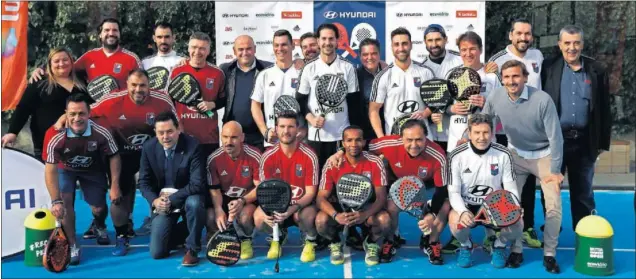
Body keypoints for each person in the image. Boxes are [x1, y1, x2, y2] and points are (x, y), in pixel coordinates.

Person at [55, 69, 177, 249]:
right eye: (134, 85)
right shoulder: (112, 100)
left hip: (152, 154)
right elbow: (82, 111)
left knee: (164, 190)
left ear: (149, 85)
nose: (138, 89)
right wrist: (62, 119)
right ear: (126, 85)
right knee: (120, 195)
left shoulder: (162, 100)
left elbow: (177, 127)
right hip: (121, 155)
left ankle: (163, 225)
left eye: (142, 85)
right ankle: (122, 230)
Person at [326, 119, 448, 264]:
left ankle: (432, 242)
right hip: (398, 188)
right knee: (390, 206)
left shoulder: (438, 155)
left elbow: (441, 191)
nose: (414, 145)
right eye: (409, 140)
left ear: (426, 138)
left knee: (445, 206)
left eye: (419, 140)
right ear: (400, 138)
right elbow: (360, 144)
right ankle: (391, 240)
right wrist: (340, 152)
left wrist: (431, 215)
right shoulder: (390, 144)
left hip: (425, 189)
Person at [482, 60, 564, 273]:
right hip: (515, 155)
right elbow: (483, 121)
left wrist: (555, 171)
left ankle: (550, 254)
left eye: (516, 76)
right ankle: (516, 249)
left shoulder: (542, 100)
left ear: (525, 77)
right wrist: (467, 138)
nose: (511, 81)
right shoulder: (496, 96)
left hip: (545, 155)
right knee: (510, 206)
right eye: (507, 77)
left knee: (553, 205)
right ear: (502, 79)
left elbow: (556, 139)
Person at [541, 25, 611, 230]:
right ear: (560, 45)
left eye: (576, 43)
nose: (572, 48)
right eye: (567, 43)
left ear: (582, 44)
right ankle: (552, 232)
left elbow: (604, 109)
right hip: (555, 141)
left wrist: (601, 144)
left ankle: (584, 234)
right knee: (551, 191)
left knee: (583, 194)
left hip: (584, 142)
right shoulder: (547, 67)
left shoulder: (597, 70)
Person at [42, 93, 121, 264]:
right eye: (72, 114)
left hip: (93, 170)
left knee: (99, 208)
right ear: (66, 113)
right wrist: (56, 200)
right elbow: (50, 169)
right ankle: (72, 244)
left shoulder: (101, 132)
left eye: (81, 113)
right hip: (65, 169)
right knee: (65, 204)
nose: (77, 118)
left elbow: (114, 156)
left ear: (89, 113)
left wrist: (114, 185)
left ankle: (99, 225)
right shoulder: (54, 134)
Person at [442, 31, 502, 254]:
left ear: (480, 50)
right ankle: (460, 236)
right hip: (456, 143)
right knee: (458, 188)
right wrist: (451, 108)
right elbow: (442, 106)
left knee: (489, 187)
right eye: (464, 49)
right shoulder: (452, 74)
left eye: (472, 49)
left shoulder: (491, 77)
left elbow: (498, 110)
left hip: (485, 144)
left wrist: (485, 103)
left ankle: (490, 235)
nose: (468, 53)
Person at [487, 18, 545, 249]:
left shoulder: (538, 56)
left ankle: (528, 226)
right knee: (503, 181)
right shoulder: (496, 61)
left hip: (531, 131)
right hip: (503, 133)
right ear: (510, 35)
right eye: (519, 33)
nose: (523, 38)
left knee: (529, 182)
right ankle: (500, 226)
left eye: (527, 34)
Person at [445, 113, 523, 269]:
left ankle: (499, 245)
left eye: (486, 132)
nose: (482, 137)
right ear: (469, 132)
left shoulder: (503, 153)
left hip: (495, 206)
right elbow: (453, 192)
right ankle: (466, 245)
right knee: (455, 223)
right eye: (477, 133)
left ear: (492, 133)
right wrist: (462, 211)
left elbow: (510, 186)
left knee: (518, 225)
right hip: (469, 206)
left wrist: (515, 206)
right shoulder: (456, 156)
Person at [138, 111, 206, 266]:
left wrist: (172, 199)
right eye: (161, 133)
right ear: (155, 132)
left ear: (178, 129)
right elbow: (143, 182)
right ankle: (189, 229)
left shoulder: (193, 146)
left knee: (195, 204)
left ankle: (192, 249)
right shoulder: (148, 148)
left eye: (169, 131)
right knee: (157, 252)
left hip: (188, 196)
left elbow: (197, 184)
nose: (165, 137)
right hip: (162, 202)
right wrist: (155, 201)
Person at [316, 125, 391, 266]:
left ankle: (371, 242)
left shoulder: (375, 162)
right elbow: (320, 198)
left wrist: (364, 214)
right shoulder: (332, 163)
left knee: (385, 220)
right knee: (320, 221)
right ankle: (335, 242)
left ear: (364, 142)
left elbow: (381, 198)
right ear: (343, 143)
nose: (354, 144)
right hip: (340, 208)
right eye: (349, 140)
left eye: (358, 140)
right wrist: (335, 215)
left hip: (366, 207)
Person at [254, 111, 320, 263]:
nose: (286, 131)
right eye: (282, 126)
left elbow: (310, 193)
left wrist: (291, 209)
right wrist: (269, 211)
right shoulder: (267, 156)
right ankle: (278, 235)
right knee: (259, 218)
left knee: (306, 216)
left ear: (298, 130)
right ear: (275, 129)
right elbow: (265, 191)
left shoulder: (309, 155)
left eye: (290, 127)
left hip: (301, 206)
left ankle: (310, 239)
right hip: (277, 205)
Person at [2, 48, 89, 160]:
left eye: (65, 60)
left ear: (72, 61)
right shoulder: (39, 83)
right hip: (46, 145)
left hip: (79, 144)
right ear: (49, 65)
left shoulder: (82, 82)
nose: (61, 64)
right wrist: (12, 132)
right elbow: (23, 109)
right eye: (56, 61)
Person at [295, 23, 360, 172]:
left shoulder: (348, 67)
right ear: (318, 41)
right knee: (317, 180)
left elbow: (354, 104)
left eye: (331, 39)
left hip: (341, 137)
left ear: (337, 41)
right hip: (316, 137)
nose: (327, 43)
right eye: (323, 38)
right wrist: (310, 118)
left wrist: (351, 135)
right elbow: (299, 100)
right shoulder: (309, 68)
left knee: (340, 178)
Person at [30, 18, 141, 89]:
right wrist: (41, 69)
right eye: (106, 30)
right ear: (100, 35)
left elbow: (142, 86)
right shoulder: (89, 56)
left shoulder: (132, 59)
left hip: (120, 115)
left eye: (115, 30)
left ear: (120, 34)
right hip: (95, 113)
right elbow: (66, 69)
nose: (111, 33)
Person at [206, 121, 261, 260]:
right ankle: (219, 238)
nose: (228, 142)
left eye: (233, 137)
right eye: (225, 137)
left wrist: (242, 201)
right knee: (211, 216)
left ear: (242, 137)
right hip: (224, 198)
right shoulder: (213, 159)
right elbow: (214, 189)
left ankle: (246, 239)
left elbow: (259, 187)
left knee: (245, 216)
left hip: (247, 198)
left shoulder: (255, 155)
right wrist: (219, 209)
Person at [369, 27, 435, 139]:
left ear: (411, 45)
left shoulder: (426, 72)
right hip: (395, 138)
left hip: (423, 138)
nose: (401, 48)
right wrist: (382, 138)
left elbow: (435, 103)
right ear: (392, 47)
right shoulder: (383, 76)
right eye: (396, 44)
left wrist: (425, 113)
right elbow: (374, 110)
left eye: (404, 43)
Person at [169, 32, 225, 158]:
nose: (197, 52)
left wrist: (213, 104)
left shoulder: (217, 73)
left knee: (207, 176)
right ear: (188, 48)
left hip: (209, 138)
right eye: (194, 47)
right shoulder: (177, 71)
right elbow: (169, 102)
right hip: (183, 136)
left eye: (202, 48)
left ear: (208, 51)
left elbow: (224, 99)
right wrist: (176, 124)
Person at [251, 30, 303, 150]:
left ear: (293, 46)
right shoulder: (264, 75)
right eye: (276, 45)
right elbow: (255, 105)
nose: (280, 48)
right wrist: (265, 132)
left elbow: (309, 104)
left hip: (298, 140)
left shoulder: (303, 73)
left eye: (284, 44)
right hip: (273, 141)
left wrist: (304, 129)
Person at [220, 35, 273, 150]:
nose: (245, 52)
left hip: (259, 135)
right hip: (233, 136)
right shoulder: (225, 70)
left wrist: (299, 61)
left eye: (248, 48)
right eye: (240, 49)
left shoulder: (268, 69)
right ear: (234, 51)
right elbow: (219, 99)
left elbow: (287, 67)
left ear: (254, 49)